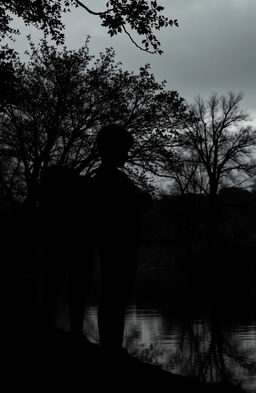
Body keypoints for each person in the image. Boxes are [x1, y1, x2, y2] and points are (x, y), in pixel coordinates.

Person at [94, 124, 153, 355]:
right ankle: (111, 347)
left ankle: (110, 345)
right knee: (115, 295)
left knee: (114, 295)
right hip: (119, 243)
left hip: (116, 242)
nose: (127, 155)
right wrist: (143, 198)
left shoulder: (108, 176)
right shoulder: (112, 177)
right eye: (124, 150)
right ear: (112, 149)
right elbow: (137, 203)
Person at [38, 165, 94, 340]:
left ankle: (49, 328)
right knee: (74, 291)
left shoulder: (48, 198)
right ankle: (74, 332)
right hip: (77, 248)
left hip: (58, 247)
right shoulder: (81, 191)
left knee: (54, 289)